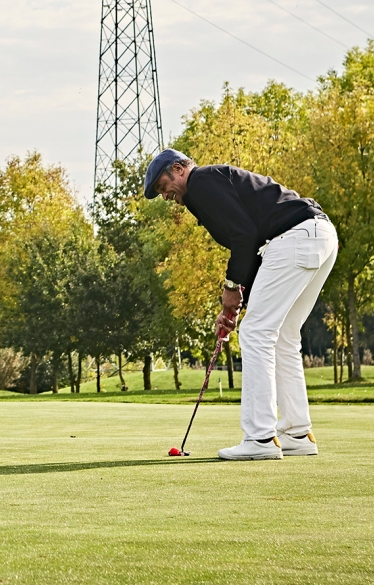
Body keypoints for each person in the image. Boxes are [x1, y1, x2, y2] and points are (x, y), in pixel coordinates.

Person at [144, 149, 338, 460]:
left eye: (162, 186)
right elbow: (249, 244)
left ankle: (260, 439)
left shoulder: (200, 182)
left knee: (256, 333)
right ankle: (297, 433)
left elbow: (243, 236)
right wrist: (232, 306)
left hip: (296, 237)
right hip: (318, 235)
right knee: (283, 335)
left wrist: (231, 290)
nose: (164, 195)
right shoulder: (209, 185)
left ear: (179, 169)